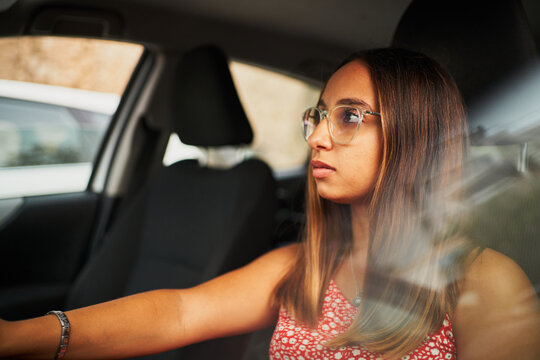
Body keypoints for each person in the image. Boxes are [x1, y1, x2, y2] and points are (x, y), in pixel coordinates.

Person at [1, 48, 539, 360]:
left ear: (417, 138)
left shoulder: (482, 282)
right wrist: (20, 336)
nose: (317, 138)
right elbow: (182, 311)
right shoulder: (305, 267)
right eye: (319, 115)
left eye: (350, 116)